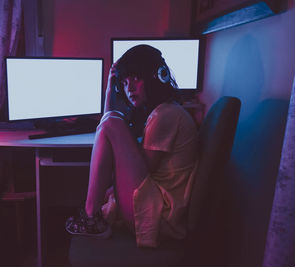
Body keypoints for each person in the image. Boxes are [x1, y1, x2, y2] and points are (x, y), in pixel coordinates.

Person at [65, 45, 199, 248]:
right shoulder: (161, 112)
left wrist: (109, 183)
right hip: (154, 207)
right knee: (110, 121)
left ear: (157, 76)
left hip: (157, 217)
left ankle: (90, 216)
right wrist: (111, 88)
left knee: (112, 121)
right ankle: (92, 214)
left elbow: (142, 171)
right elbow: (106, 128)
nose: (129, 88)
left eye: (136, 78)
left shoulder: (166, 115)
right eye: (124, 83)